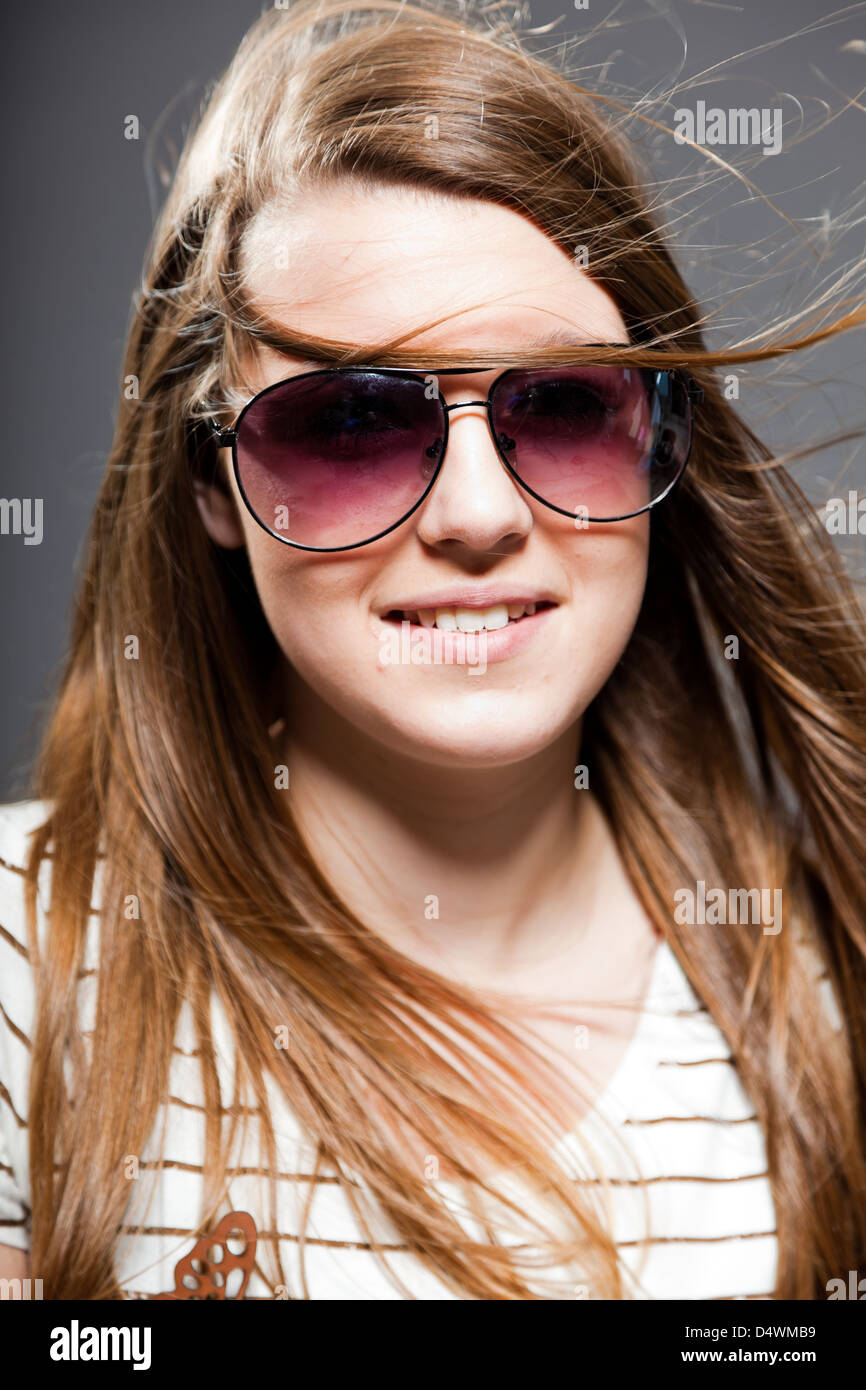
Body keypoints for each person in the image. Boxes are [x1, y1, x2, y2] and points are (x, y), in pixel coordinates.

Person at [1, 0, 864, 1301]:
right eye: (347, 423)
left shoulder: (832, 986)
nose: (477, 516)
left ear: (660, 441)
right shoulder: (24, 959)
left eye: (564, 405)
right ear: (207, 484)